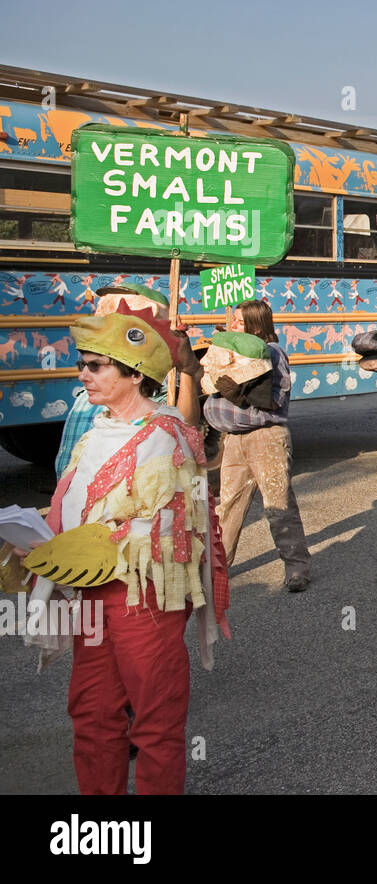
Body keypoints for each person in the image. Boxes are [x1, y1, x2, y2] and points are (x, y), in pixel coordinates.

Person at [30, 307, 218, 793]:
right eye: (82, 363)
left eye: (96, 365)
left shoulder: (169, 435)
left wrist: (97, 544)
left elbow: (181, 530)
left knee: (154, 721)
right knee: (92, 715)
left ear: (135, 374)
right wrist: (33, 551)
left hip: (145, 600)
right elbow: (68, 504)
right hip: (89, 595)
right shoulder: (96, 430)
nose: (83, 374)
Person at [205, 299, 312, 593]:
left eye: (240, 322)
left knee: (278, 504)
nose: (234, 327)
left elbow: (275, 398)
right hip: (235, 439)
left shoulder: (273, 353)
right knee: (227, 506)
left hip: (267, 437)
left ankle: (296, 568)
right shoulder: (232, 352)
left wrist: (238, 394)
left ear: (255, 324)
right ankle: (217, 571)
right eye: (233, 322)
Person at [55, 283, 203, 478]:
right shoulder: (103, 372)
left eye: (113, 304)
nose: (101, 310)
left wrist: (187, 370)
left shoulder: (142, 382)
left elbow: (185, 427)